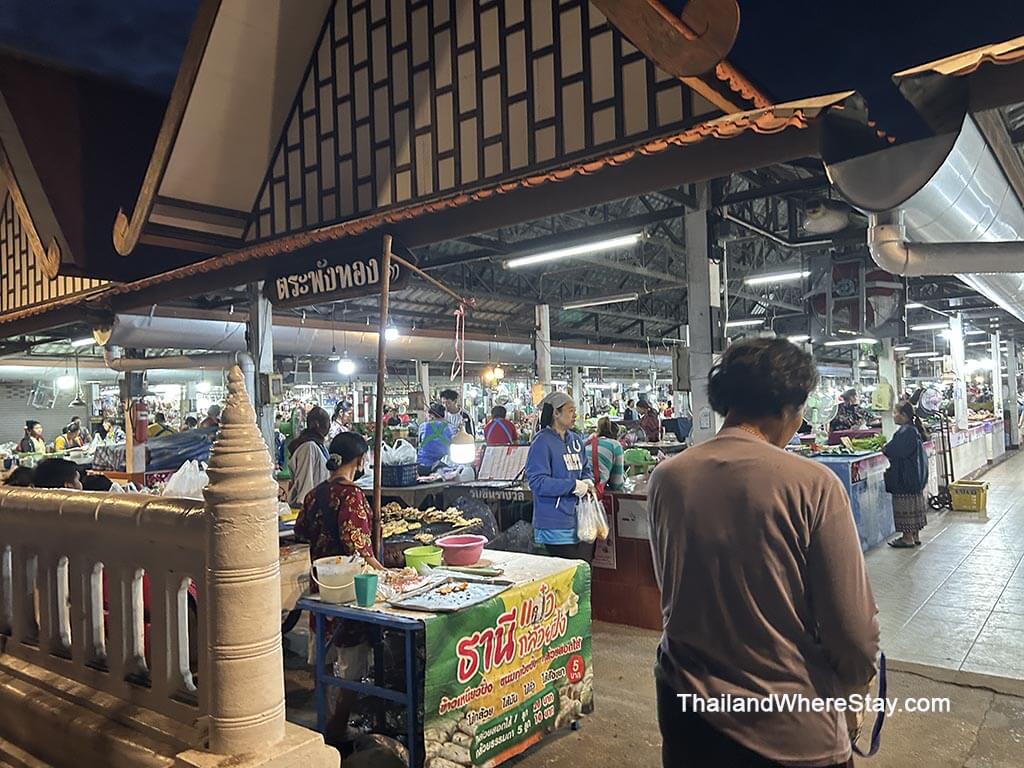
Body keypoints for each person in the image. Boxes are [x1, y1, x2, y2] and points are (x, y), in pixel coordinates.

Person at [649, 338, 878, 768]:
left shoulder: (667, 477)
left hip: (689, 719)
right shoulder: (813, 484)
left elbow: (671, 592)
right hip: (790, 729)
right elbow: (852, 632)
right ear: (787, 407)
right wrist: (853, 697)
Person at [294, 431, 383, 744]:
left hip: (322, 587)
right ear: (358, 461)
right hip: (348, 588)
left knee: (325, 657)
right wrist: (384, 573)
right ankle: (337, 727)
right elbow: (358, 545)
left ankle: (325, 719)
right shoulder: (353, 496)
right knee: (354, 662)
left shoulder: (314, 494)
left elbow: (301, 529)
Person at [525, 392, 595, 561]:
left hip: (580, 520)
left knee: (583, 573)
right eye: (570, 411)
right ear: (556, 413)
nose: (575, 415)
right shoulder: (541, 443)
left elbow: (585, 468)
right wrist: (573, 486)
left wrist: (587, 480)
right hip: (554, 525)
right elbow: (537, 482)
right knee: (568, 578)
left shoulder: (576, 440)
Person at [884, 401, 930, 548]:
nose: (893, 416)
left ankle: (907, 537)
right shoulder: (912, 430)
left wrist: (884, 448)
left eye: (895, 413)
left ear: (904, 415)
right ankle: (915, 535)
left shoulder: (906, 432)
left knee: (905, 505)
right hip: (914, 477)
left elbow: (894, 450)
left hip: (905, 478)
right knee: (915, 505)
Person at [287, 406, 331, 508]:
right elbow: (305, 482)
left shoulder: (319, 445)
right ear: (316, 424)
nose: (329, 426)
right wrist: (307, 508)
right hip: (309, 506)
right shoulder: (308, 447)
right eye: (327, 422)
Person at [585, 417, 625, 493]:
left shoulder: (587, 442)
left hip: (577, 487)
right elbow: (616, 484)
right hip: (592, 490)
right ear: (616, 435)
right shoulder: (615, 445)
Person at [417, 403, 456, 473]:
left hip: (423, 466)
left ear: (432, 416)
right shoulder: (450, 428)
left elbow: (420, 443)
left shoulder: (423, 426)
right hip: (443, 466)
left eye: (428, 416)